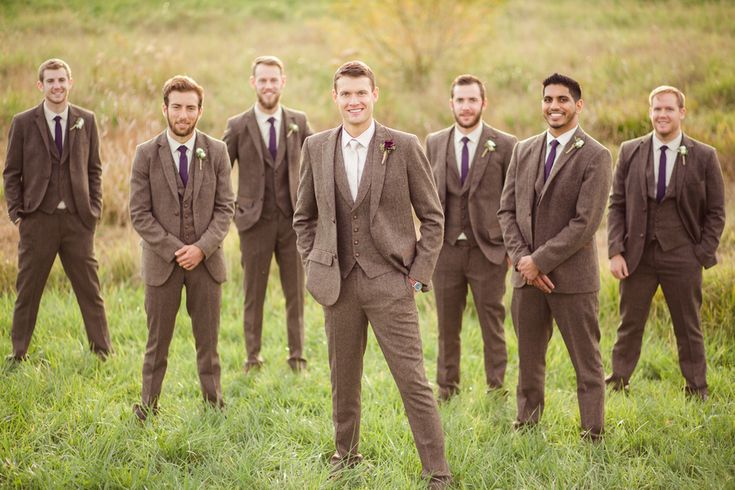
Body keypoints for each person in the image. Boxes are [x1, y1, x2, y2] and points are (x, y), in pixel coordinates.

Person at [292, 61, 451, 486]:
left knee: (413, 380)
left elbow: (433, 218)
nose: (354, 100)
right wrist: (314, 262)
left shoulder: (402, 145)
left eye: (361, 92)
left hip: (390, 283)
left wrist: (418, 274)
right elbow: (303, 217)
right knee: (343, 379)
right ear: (335, 98)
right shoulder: (317, 147)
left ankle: (437, 472)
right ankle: (345, 457)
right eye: (345, 93)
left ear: (375, 94)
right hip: (337, 284)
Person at [497, 73, 611, 439]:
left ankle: (592, 432)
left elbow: (585, 223)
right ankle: (527, 424)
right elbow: (506, 212)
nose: (554, 106)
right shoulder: (524, 149)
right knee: (529, 359)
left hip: (573, 280)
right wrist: (522, 261)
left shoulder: (596, 155)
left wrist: (539, 261)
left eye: (563, 100)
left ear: (578, 105)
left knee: (587, 362)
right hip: (526, 279)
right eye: (548, 99)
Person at [606, 85, 725, 400]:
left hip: (683, 256)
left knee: (688, 326)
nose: (662, 114)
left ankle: (696, 388)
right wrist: (616, 250)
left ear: (681, 113)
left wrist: (701, 253)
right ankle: (618, 380)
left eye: (669, 109)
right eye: (657, 109)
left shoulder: (704, 155)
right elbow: (616, 203)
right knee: (629, 323)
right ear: (650, 112)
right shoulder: (630, 151)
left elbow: (716, 213)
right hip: (637, 256)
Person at [129, 75, 234, 420]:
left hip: (207, 263)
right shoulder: (146, 153)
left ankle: (213, 404)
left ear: (200, 110)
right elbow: (139, 213)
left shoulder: (217, 151)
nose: (183, 114)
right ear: (165, 108)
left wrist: (201, 248)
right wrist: (177, 249)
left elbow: (225, 209)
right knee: (157, 343)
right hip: (163, 265)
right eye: (177, 107)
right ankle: (148, 406)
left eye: (190, 107)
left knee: (208, 342)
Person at [3, 58, 111, 361]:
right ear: (41, 86)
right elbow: (11, 173)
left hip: (78, 220)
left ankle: (102, 350)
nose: (57, 86)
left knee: (90, 289)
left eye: (62, 80)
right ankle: (18, 353)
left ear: (70, 82)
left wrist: (94, 211)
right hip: (37, 220)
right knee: (28, 290)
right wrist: (17, 214)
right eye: (50, 81)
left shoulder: (85, 120)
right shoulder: (23, 122)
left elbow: (94, 170)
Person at [425, 74, 516, 401]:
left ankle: (497, 386)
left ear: (483, 103)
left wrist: (509, 247)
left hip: (488, 251)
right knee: (447, 325)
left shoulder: (505, 144)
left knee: (493, 323)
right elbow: (427, 197)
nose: (465, 107)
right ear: (452, 103)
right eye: (460, 100)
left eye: (472, 100)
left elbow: (513, 198)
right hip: (445, 250)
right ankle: (447, 387)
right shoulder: (434, 142)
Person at [223, 56, 312, 372]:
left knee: (296, 293)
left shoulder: (298, 122)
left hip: (292, 223)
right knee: (253, 293)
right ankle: (252, 357)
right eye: (262, 80)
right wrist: (233, 211)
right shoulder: (237, 126)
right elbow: (221, 171)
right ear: (253, 83)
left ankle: (297, 357)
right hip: (253, 223)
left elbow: (316, 165)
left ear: (283, 82)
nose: (269, 86)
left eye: (274, 80)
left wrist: (312, 211)